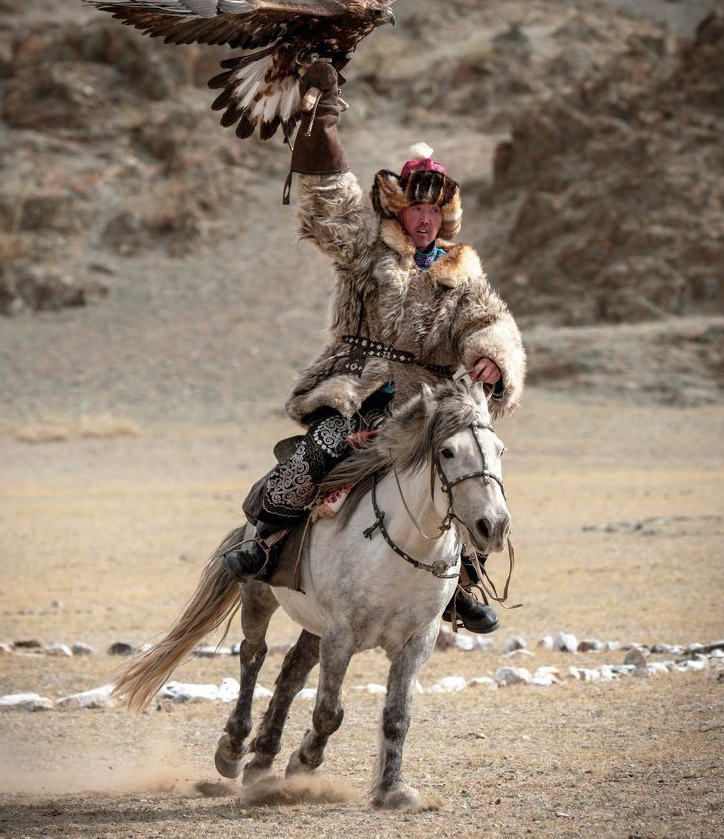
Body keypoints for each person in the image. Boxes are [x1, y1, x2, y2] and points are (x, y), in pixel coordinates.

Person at [224, 62, 526, 634]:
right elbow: (331, 209)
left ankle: (465, 584)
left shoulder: (462, 274)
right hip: (361, 386)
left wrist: (492, 354)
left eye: (434, 211)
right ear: (399, 210)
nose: (425, 219)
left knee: (474, 471)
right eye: (416, 209)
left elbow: (493, 319)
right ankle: (263, 545)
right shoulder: (368, 251)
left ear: (445, 216)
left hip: (432, 402)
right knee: (320, 449)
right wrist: (322, 126)